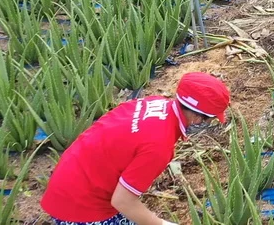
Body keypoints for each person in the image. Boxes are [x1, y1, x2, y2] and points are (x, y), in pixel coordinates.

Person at [41, 72, 231, 225]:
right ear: (198, 118)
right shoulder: (158, 145)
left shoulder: (155, 103)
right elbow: (122, 201)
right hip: (81, 208)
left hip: (69, 181)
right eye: (210, 118)